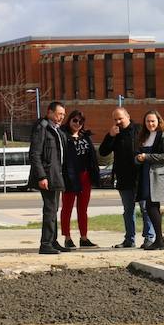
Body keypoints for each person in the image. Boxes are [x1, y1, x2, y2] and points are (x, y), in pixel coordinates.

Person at [99, 107, 155, 248]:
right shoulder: (115, 133)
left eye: (120, 118)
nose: (118, 121)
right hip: (123, 178)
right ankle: (129, 239)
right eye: (115, 119)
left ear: (128, 116)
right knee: (128, 210)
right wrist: (110, 136)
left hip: (141, 177)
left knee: (145, 208)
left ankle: (149, 238)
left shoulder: (139, 129)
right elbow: (103, 152)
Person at [28, 101, 70, 255]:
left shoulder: (57, 130)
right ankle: (45, 244)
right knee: (50, 210)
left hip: (57, 175)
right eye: (59, 114)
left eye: (63, 114)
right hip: (47, 176)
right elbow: (35, 154)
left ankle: (53, 241)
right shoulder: (42, 128)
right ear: (50, 112)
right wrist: (41, 176)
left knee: (54, 210)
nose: (61, 117)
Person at [60, 110, 100, 249]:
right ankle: (67, 238)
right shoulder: (63, 136)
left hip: (85, 176)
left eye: (81, 121)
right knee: (67, 208)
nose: (77, 124)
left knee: (83, 209)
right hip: (70, 177)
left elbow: (92, 157)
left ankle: (84, 237)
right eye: (75, 120)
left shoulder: (85, 137)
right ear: (69, 120)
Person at [135, 110, 164, 250]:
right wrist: (138, 158)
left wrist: (147, 157)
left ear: (158, 121)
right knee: (151, 206)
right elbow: (138, 154)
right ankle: (159, 239)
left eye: (153, 121)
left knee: (151, 206)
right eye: (147, 121)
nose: (150, 124)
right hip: (145, 175)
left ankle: (160, 240)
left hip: (158, 176)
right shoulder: (144, 136)